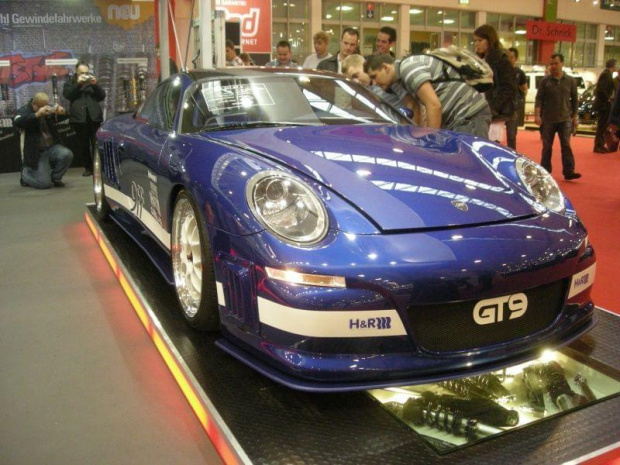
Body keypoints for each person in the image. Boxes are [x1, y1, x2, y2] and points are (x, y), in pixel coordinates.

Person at [366, 53, 491, 138]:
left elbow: (434, 105)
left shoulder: (408, 69)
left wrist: (430, 140)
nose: (374, 83)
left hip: (468, 115)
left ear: (385, 67)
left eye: (374, 76)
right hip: (460, 118)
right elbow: (413, 109)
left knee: (468, 166)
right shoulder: (400, 79)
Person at [535, 53, 581, 180]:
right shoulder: (545, 81)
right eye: (551, 64)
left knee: (566, 145)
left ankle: (569, 171)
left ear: (562, 64)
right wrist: (537, 115)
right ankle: (545, 171)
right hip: (548, 119)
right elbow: (539, 99)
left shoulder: (571, 81)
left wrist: (575, 117)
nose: (553, 66)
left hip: (565, 119)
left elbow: (575, 101)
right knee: (547, 147)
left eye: (556, 63)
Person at [13, 92, 73, 189]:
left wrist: (62, 112)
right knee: (44, 184)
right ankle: (25, 174)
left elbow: (61, 118)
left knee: (67, 154)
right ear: (34, 104)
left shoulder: (48, 108)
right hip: (37, 152)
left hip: (52, 147)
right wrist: (36, 115)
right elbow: (17, 122)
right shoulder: (24, 110)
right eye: (42, 106)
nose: (45, 108)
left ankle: (56, 178)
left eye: (46, 105)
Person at [473, 24, 517, 145]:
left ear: (490, 40)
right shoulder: (478, 60)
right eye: (475, 40)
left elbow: (508, 88)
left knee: (489, 146)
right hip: (479, 111)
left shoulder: (502, 61)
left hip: (492, 114)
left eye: (480, 40)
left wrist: (492, 107)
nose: (476, 44)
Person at [63, 61, 106, 177]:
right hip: (79, 118)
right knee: (83, 145)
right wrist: (78, 84)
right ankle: (88, 167)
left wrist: (95, 85)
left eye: (86, 73)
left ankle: (99, 167)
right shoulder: (70, 83)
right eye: (82, 73)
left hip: (94, 117)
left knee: (96, 143)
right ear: (76, 72)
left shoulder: (92, 81)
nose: (85, 75)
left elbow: (102, 96)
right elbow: (68, 95)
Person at [506, 47, 528, 150]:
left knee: (511, 136)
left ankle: (512, 155)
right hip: (498, 108)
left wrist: (519, 101)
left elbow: (524, 89)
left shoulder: (520, 73)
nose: (509, 60)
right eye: (507, 57)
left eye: (511, 57)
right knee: (495, 136)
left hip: (512, 108)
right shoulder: (499, 71)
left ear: (516, 58)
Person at [593, 58, 617, 153]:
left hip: (605, 104)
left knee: (603, 125)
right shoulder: (605, 75)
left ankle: (601, 145)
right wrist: (608, 98)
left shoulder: (607, 74)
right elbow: (601, 89)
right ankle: (598, 146)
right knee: (602, 125)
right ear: (613, 65)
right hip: (603, 105)